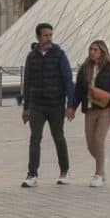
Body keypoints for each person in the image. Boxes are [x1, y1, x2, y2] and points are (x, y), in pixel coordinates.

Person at [21, 23, 76, 189]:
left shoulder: (60, 55)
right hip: (37, 105)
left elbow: (68, 80)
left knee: (58, 137)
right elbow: (27, 82)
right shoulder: (31, 57)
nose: (49, 38)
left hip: (56, 105)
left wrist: (70, 105)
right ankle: (32, 175)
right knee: (35, 139)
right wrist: (26, 107)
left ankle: (65, 171)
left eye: (51, 35)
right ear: (38, 36)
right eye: (45, 35)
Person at [73, 40, 110, 186]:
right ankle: (102, 162)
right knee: (90, 144)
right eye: (90, 49)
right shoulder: (84, 68)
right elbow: (78, 90)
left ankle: (98, 174)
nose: (92, 52)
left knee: (99, 139)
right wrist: (72, 107)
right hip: (89, 109)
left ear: (102, 51)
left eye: (95, 49)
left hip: (106, 109)